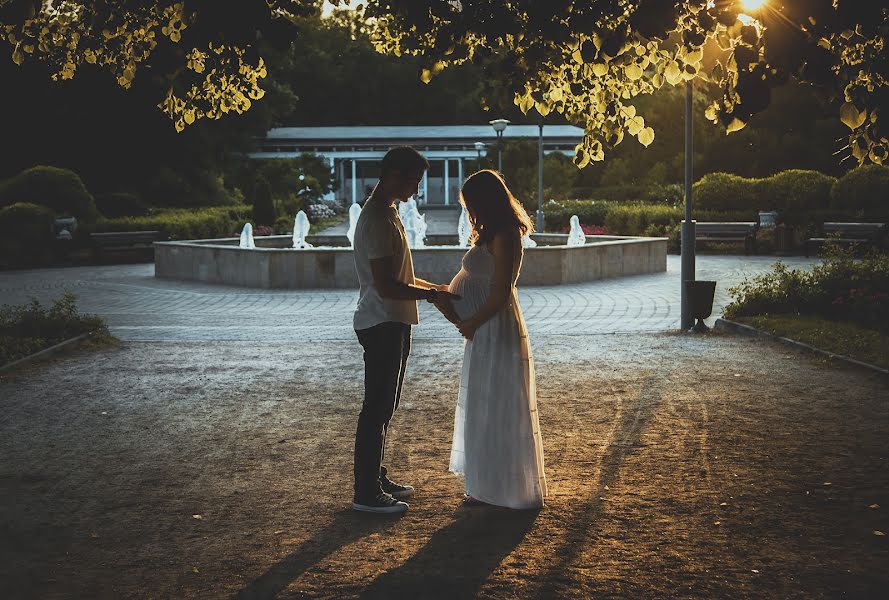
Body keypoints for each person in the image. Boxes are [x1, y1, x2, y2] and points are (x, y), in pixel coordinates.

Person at [351, 146, 460, 514]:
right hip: (382, 320)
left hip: (392, 320)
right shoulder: (378, 219)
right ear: (394, 176)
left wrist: (436, 289)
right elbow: (386, 285)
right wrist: (433, 296)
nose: (417, 188)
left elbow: (401, 278)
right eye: (414, 180)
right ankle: (366, 493)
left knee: (385, 406)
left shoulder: (388, 212)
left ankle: (374, 477)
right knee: (376, 408)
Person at [436, 170, 548, 509]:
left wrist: (472, 323)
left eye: (471, 204)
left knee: (498, 405)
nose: (469, 211)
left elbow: (501, 292)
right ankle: (485, 485)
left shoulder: (506, 235)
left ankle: (502, 489)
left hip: (495, 327)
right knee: (483, 405)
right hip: (483, 326)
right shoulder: (491, 234)